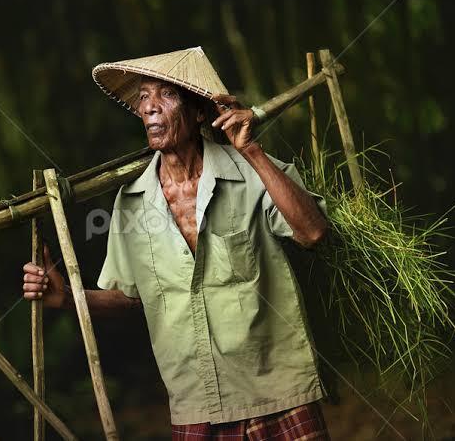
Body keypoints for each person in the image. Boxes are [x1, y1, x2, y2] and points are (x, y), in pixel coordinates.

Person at [22, 47, 331, 440]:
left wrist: (252, 151)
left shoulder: (252, 173)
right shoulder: (132, 201)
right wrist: (66, 297)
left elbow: (313, 232)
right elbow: (131, 297)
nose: (149, 107)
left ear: (199, 111)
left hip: (277, 392)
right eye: (144, 97)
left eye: (166, 95)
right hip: (195, 403)